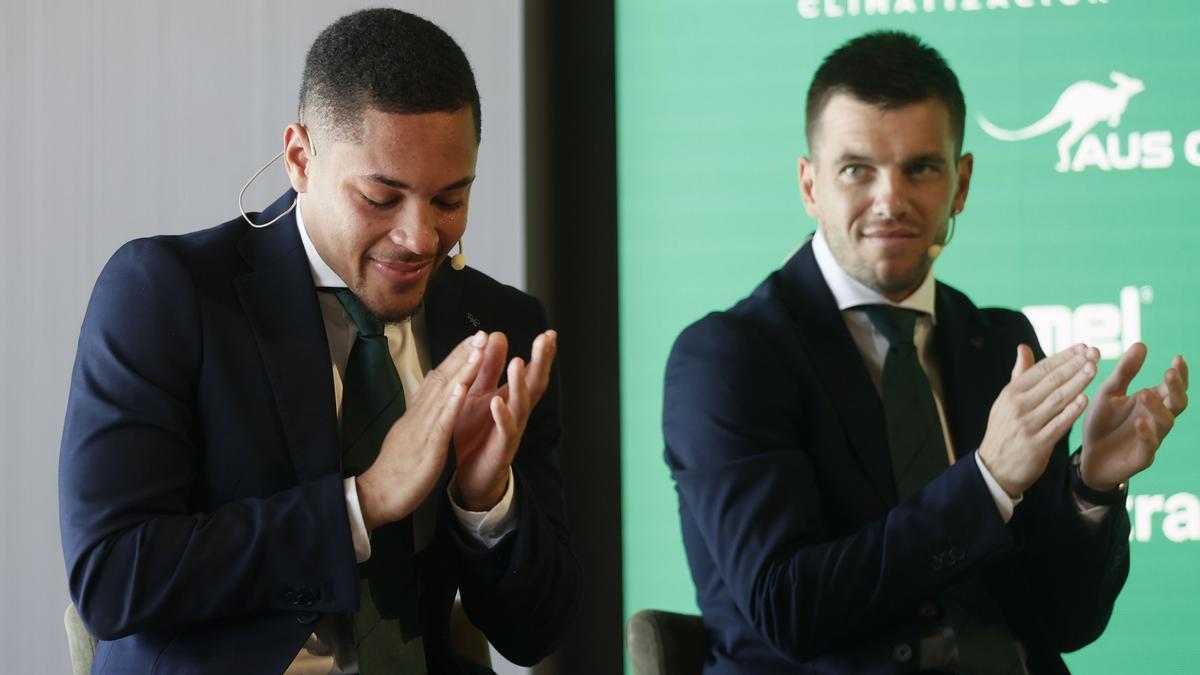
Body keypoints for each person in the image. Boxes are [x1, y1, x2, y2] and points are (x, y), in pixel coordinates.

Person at [59, 9, 580, 674]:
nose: (420, 236)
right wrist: (364, 502)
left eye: (450, 199)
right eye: (380, 198)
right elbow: (112, 575)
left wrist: (486, 500)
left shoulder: (502, 326)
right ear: (301, 158)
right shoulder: (167, 294)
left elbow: (538, 632)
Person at [663, 31, 1188, 674]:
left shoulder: (999, 341)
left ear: (960, 184)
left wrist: (1090, 488)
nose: (891, 200)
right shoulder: (729, 356)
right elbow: (789, 607)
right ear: (809, 185)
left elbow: (1064, 622)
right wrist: (988, 480)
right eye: (857, 169)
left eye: (921, 168)